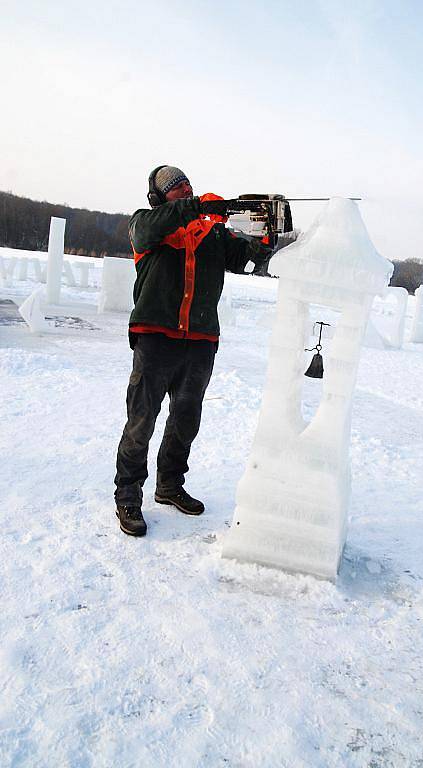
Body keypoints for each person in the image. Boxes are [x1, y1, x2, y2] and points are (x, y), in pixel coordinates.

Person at [114, 165, 271, 537]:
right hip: (155, 337)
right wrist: (197, 205)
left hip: (200, 341)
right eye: (174, 187)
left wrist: (264, 237)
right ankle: (128, 496)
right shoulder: (146, 225)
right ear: (158, 197)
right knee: (141, 420)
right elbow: (150, 229)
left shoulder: (213, 234)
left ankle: (169, 485)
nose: (183, 189)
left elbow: (249, 262)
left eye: (186, 184)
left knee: (186, 419)